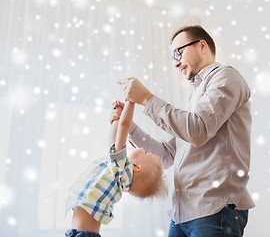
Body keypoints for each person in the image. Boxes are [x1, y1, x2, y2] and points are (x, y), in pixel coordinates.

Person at [119, 25, 255, 236]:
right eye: (172, 56)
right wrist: (128, 126)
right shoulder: (189, 101)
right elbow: (167, 155)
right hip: (181, 214)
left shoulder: (226, 77)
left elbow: (198, 130)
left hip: (214, 209)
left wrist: (147, 99)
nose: (175, 62)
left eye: (178, 52)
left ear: (202, 46)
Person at [65, 101, 167, 237]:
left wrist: (131, 102)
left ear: (136, 167)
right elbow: (113, 140)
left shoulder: (121, 169)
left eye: (146, 153)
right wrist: (116, 117)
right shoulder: (116, 170)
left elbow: (124, 126)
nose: (142, 148)